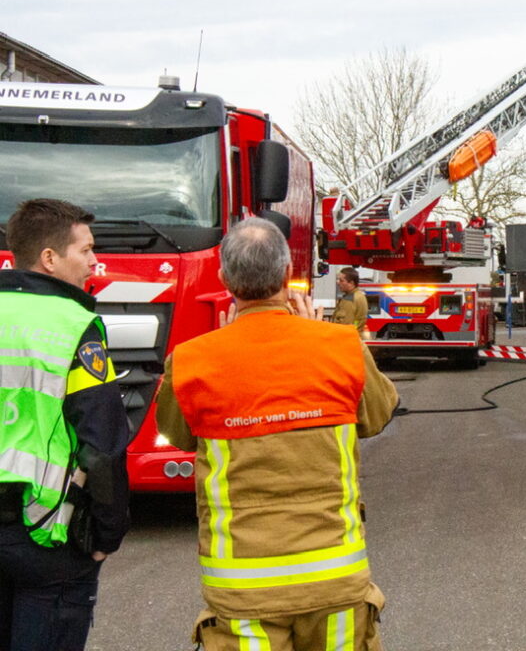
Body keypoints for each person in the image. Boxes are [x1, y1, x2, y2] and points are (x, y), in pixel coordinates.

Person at [156, 218, 398, 651]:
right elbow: (377, 416)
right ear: (288, 274)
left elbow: (178, 434)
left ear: (224, 278)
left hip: (242, 589)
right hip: (335, 578)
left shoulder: (192, 361)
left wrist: (224, 346)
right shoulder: (342, 347)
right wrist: (324, 336)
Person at [0, 198, 130, 651]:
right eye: (86, 249)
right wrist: (107, 533)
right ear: (49, 259)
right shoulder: (75, 325)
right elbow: (102, 442)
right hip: (44, 534)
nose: (95, 261)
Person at [333, 266, 371, 339]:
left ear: (351, 283)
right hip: (355, 337)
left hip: (346, 339)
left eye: (341, 281)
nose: (338, 283)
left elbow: (345, 325)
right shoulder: (359, 295)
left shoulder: (350, 299)